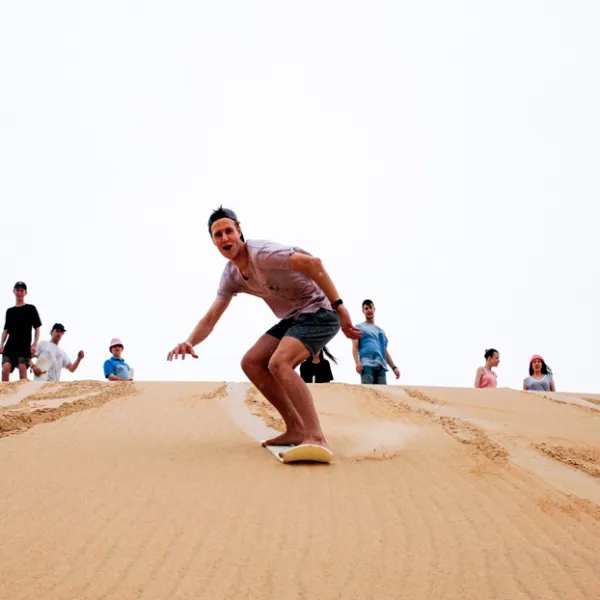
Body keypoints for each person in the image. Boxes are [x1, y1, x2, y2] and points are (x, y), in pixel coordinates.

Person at [167, 206, 361, 461]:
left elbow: (313, 263)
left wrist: (340, 306)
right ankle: (295, 428)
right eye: (218, 235)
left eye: (229, 231)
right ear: (213, 241)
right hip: (294, 318)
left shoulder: (263, 254)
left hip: (321, 312)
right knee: (252, 362)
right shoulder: (231, 276)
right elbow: (211, 317)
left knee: (279, 363)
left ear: (239, 232)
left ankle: (316, 437)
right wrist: (190, 341)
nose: (225, 238)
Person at [1, 282, 42, 382]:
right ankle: (4, 395)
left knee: (22, 373)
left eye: (22, 290)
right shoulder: (10, 311)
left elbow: (37, 327)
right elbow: (5, 330)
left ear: (25, 292)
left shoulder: (31, 308)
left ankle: (22, 396)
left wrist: (35, 343)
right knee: (5, 369)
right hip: (10, 346)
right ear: (14, 291)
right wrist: (1, 344)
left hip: (23, 347)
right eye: (17, 290)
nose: (19, 292)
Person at [352, 299, 400, 385]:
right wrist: (357, 362)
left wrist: (394, 367)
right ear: (363, 311)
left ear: (374, 309)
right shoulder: (359, 327)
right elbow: (355, 346)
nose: (369, 310)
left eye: (370, 307)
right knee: (368, 392)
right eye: (366, 308)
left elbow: (384, 351)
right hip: (366, 364)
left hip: (381, 366)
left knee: (382, 394)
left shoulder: (381, 331)